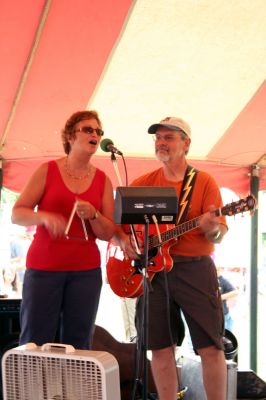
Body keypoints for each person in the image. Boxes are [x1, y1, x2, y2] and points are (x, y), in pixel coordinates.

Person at [113, 116, 228, 400]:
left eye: (169, 137)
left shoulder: (203, 182)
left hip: (195, 269)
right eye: (158, 138)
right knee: (160, 346)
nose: (161, 142)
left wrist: (213, 228)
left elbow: (219, 233)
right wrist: (128, 242)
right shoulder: (143, 183)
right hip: (153, 273)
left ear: (186, 144)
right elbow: (121, 229)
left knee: (210, 347)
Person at [11, 110, 116, 349]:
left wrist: (94, 215)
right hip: (44, 269)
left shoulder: (103, 180)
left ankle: (72, 388)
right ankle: (34, 387)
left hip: (86, 272)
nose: (95, 135)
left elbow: (107, 232)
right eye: (88, 129)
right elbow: (17, 214)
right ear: (70, 136)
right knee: (35, 340)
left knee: (78, 343)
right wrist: (45, 217)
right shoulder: (47, 170)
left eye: (98, 131)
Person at [217, 267, 238, 332]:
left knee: (224, 333)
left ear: (221, 270)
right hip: (216, 313)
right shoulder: (211, 280)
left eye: (217, 269)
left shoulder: (223, 280)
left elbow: (235, 292)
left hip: (223, 313)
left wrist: (219, 298)